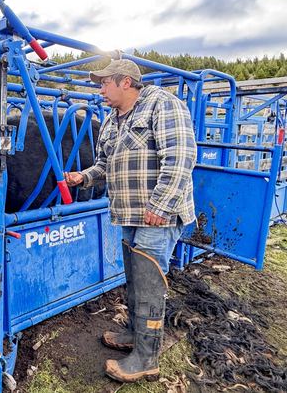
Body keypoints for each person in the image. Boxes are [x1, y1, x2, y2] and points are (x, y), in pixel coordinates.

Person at [65, 59, 197, 383]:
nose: (100, 90)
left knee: (149, 282)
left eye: (104, 83)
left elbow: (181, 158)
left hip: (158, 215)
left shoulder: (162, 104)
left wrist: (161, 205)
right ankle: (137, 336)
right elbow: (104, 166)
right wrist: (83, 177)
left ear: (125, 82)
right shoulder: (111, 121)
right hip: (130, 214)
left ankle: (146, 358)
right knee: (136, 279)